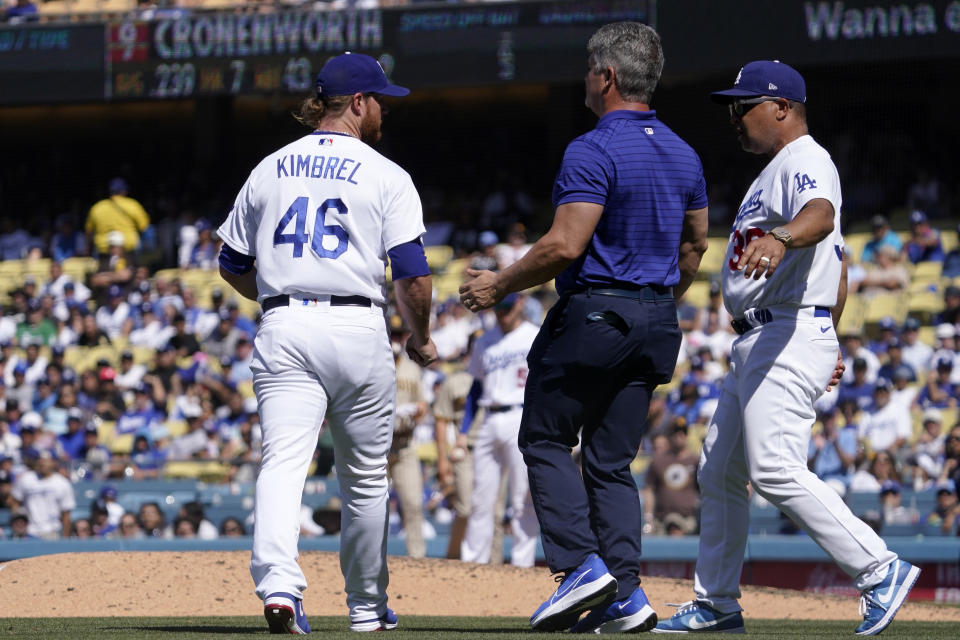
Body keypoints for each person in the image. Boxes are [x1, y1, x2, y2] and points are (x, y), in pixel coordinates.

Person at [658, 60, 921, 636]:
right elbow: (840, 263)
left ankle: (880, 569)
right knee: (719, 471)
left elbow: (821, 220)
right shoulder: (775, 169)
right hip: (771, 333)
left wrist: (783, 244)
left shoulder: (805, 159)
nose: (734, 117)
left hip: (784, 330)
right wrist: (830, 331)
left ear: (780, 107)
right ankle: (717, 602)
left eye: (742, 105)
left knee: (774, 467)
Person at [460, 22, 708, 633]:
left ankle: (578, 568)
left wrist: (497, 284)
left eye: (589, 69)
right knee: (609, 462)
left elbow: (565, 244)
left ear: (609, 77)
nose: (585, 79)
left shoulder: (592, 147)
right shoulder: (685, 151)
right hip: (656, 318)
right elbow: (696, 244)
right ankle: (625, 596)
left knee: (544, 440)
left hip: (597, 310)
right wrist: (657, 299)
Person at [216, 52, 437, 635]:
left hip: (285, 323)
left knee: (283, 462)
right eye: (381, 100)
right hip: (357, 324)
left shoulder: (269, 167)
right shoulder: (387, 173)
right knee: (364, 477)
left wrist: (275, 295)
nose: (385, 109)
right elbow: (412, 274)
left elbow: (231, 262)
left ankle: (280, 589)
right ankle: (367, 608)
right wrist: (422, 338)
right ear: (358, 103)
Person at [459, 293, 540, 567]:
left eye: (507, 306)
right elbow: (476, 389)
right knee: (481, 497)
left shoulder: (534, 335)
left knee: (522, 498)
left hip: (522, 415)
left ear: (520, 303)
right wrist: (463, 430)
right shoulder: (484, 340)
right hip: (489, 417)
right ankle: (474, 564)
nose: (502, 313)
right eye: (498, 308)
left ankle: (522, 564)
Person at [642, 419, 700, 536]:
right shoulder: (658, 461)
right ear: (669, 436)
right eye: (675, 432)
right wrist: (648, 519)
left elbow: (704, 491)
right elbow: (649, 490)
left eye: (683, 432)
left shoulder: (696, 461)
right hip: (661, 520)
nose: (679, 435)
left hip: (688, 520)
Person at [86, 178, 150, 262]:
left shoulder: (97, 207)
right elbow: (144, 227)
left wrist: (88, 250)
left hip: (104, 253)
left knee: (103, 274)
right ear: (124, 191)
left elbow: (89, 232)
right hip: (128, 252)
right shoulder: (133, 205)